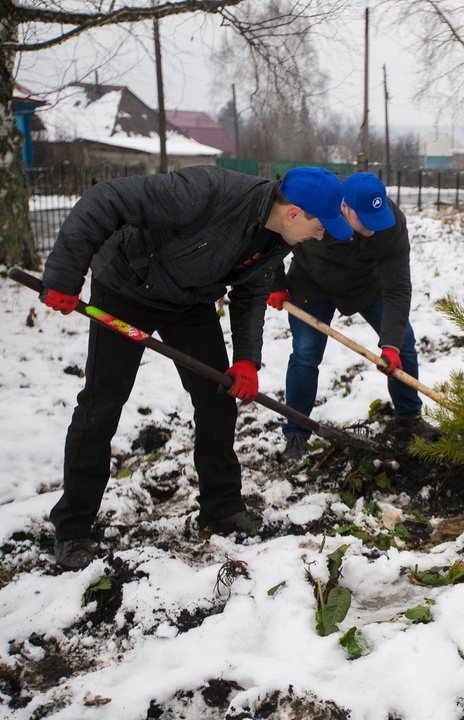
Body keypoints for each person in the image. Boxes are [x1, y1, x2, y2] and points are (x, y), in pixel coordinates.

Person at [39, 165, 351, 570]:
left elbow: (251, 292)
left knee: (217, 401)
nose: (321, 235)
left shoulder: (278, 238)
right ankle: (73, 527)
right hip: (127, 287)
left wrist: (245, 359)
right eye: (321, 226)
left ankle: (221, 507)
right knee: (102, 405)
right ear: (294, 212)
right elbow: (106, 199)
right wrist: (65, 274)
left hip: (189, 300)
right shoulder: (205, 191)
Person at [270, 172, 427, 464]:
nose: (373, 227)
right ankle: (296, 432)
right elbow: (273, 231)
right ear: (344, 208)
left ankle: (409, 418)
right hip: (310, 284)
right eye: (365, 220)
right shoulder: (317, 200)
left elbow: (397, 288)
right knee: (305, 356)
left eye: (377, 218)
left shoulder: (391, 225)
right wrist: (276, 282)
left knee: (403, 342)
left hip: (364, 287)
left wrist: (390, 343)